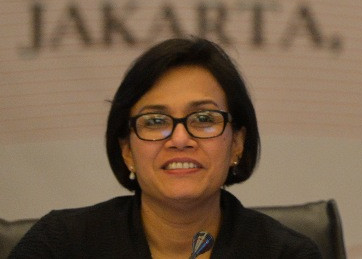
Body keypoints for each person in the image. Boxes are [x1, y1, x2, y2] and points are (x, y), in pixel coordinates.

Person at [11, 37, 322, 258]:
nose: (180, 139)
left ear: (237, 143)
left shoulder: (286, 254)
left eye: (203, 118)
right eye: (155, 121)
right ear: (127, 150)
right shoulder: (61, 246)